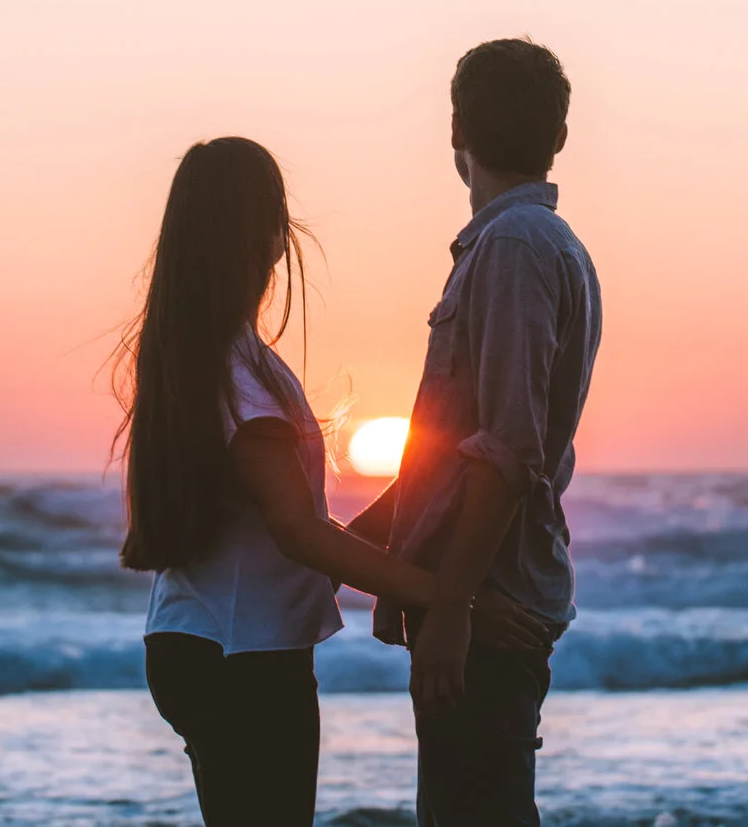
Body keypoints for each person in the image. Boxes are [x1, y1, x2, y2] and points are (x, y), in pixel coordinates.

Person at [117, 136, 547, 827]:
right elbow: (299, 530)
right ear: (255, 235)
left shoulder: (209, 356)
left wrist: (413, 541)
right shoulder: (237, 374)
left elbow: (294, 523)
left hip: (206, 642)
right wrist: (448, 597)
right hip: (242, 657)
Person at [348, 39, 602, 827]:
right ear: (560, 135)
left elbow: (507, 450)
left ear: (453, 128)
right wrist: (342, 550)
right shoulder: (527, 246)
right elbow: (450, 460)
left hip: (488, 599)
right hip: (480, 589)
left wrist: (452, 606)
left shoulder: (514, 247)